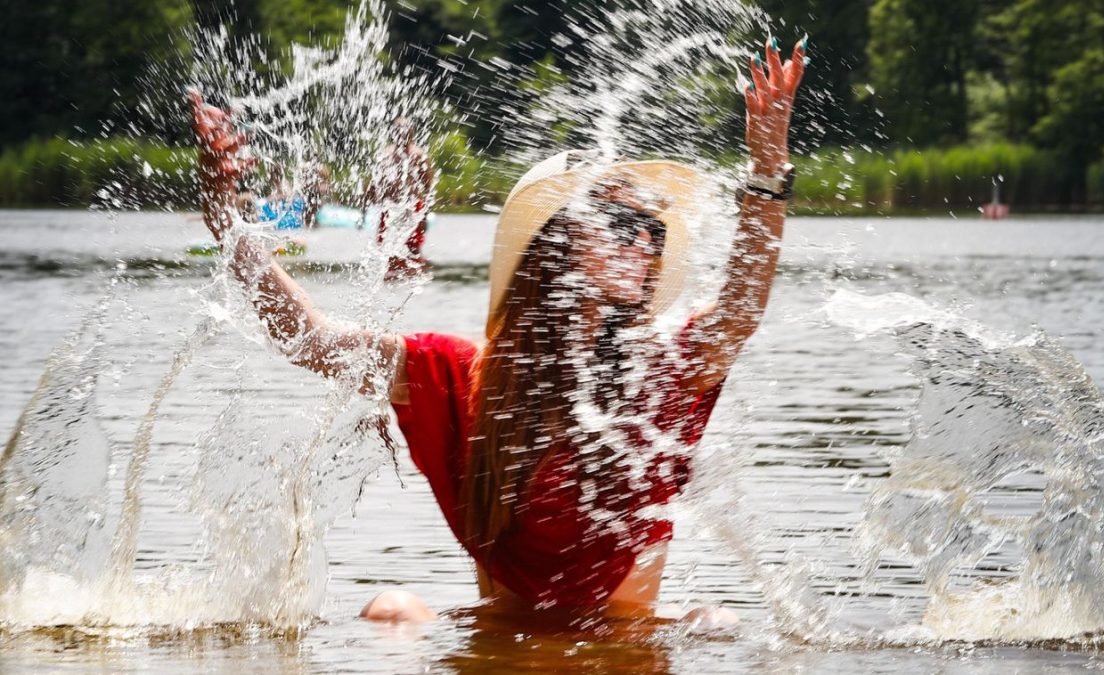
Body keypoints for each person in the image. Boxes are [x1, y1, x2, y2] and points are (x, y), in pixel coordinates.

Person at [188, 33, 806, 626]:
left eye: (654, 233)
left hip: (625, 647)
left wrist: (768, 169)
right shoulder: (463, 376)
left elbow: (740, 309)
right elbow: (308, 336)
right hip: (501, 641)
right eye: (620, 223)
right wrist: (227, 222)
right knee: (391, 608)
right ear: (556, 243)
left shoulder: (658, 375)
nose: (643, 243)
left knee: (713, 620)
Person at [365, 118, 434, 280]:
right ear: (392, 134)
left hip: (412, 208)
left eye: (406, 131)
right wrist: (367, 205)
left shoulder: (419, 156)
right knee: (386, 249)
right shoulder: (385, 155)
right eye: (398, 131)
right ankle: (390, 277)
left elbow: (428, 187)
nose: (402, 135)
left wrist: (425, 213)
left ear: (412, 133)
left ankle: (414, 279)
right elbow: (373, 183)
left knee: (414, 249)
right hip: (390, 208)